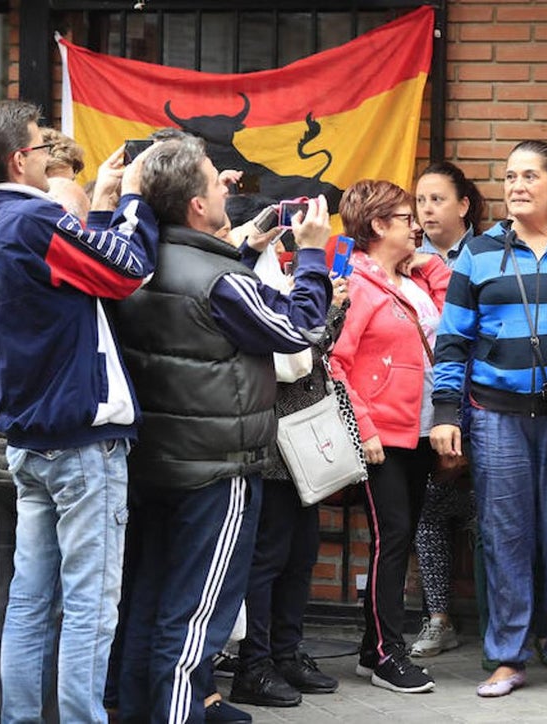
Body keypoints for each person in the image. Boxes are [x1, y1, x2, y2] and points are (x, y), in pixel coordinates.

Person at [111, 138, 332, 723]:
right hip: (218, 469)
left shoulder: (131, 263)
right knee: (194, 622)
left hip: (155, 461)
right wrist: (312, 256)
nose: (226, 191)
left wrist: (245, 246)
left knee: (148, 604)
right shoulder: (221, 281)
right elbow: (299, 328)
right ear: (194, 207)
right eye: (215, 182)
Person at [0, 100, 159, 723]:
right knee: (90, 607)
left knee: (28, 601)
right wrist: (133, 198)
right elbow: (126, 270)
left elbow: (85, 270)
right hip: (79, 445)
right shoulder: (33, 221)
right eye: (44, 147)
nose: (51, 156)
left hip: (30, 444)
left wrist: (100, 203)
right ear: (21, 158)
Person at [431, 140, 547, 698]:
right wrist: (444, 411)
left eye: (530, 176)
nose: (516, 185)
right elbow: (453, 339)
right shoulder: (478, 253)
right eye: (510, 176)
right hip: (495, 415)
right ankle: (506, 657)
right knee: (504, 537)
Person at [331, 179, 449, 694]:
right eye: (405, 218)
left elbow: (451, 314)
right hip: (382, 436)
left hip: (416, 431)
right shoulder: (359, 285)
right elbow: (337, 362)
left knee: (397, 538)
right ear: (378, 226)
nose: (416, 225)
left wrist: (425, 264)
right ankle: (385, 652)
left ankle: (369, 650)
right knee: (391, 541)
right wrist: (364, 429)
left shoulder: (409, 280)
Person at [228, 196, 345, 710]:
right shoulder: (244, 271)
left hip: (304, 429)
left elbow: (313, 345)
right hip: (272, 430)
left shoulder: (280, 268)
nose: (282, 231)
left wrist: (331, 310)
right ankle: (254, 664)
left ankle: (287, 652)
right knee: (268, 555)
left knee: (300, 551)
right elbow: (289, 346)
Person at [409, 161, 484, 659]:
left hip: (485, 402)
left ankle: (508, 622)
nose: (427, 209)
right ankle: (438, 617)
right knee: (427, 510)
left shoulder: (486, 253)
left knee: (494, 511)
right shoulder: (405, 260)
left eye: (438, 199)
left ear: (464, 205)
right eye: (420, 201)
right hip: (426, 410)